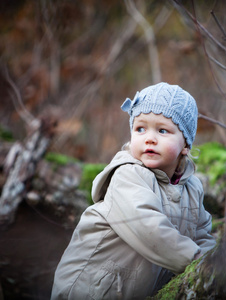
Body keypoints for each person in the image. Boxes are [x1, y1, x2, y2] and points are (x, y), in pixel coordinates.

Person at [51, 82, 216, 299]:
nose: (149, 137)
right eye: (140, 128)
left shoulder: (191, 188)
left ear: (185, 144)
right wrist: (199, 261)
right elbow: (149, 229)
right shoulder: (128, 175)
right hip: (88, 289)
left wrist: (217, 260)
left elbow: (202, 234)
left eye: (162, 130)